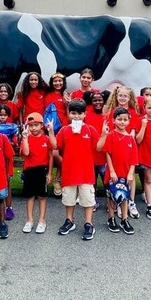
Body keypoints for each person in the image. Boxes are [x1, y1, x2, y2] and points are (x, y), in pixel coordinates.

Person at [55, 99, 99, 241]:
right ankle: (69, 221)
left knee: (87, 199)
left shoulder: (90, 130)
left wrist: (104, 134)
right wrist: (50, 132)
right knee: (69, 199)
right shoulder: (64, 130)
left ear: (85, 114)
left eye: (79, 113)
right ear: (69, 114)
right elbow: (56, 146)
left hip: (86, 173)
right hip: (69, 172)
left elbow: (98, 147)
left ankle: (88, 223)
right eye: (73, 113)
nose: (76, 116)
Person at [97, 107, 137, 235]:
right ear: (114, 120)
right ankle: (111, 218)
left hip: (125, 173)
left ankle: (124, 219)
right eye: (119, 119)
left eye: (125, 120)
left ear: (129, 121)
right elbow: (108, 154)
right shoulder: (111, 136)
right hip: (113, 172)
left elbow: (134, 158)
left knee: (124, 196)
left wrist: (131, 173)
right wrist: (112, 171)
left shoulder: (131, 138)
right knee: (111, 196)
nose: (122, 122)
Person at [103, 86, 142, 218]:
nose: (123, 98)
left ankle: (130, 201)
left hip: (128, 146)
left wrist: (130, 135)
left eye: (126, 96)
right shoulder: (112, 112)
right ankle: (118, 202)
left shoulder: (133, 112)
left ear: (129, 98)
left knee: (129, 179)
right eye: (120, 95)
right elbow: (109, 128)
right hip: (115, 145)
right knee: (115, 179)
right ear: (116, 96)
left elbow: (134, 129)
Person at [19, 112, 56, 234]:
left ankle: (41, 220)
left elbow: (51, 156)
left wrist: (50, 173)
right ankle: (29, 220)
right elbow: (26, 153)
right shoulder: (26, 138)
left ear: (41, 126)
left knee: (42, 196)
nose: (33, 128)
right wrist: (24, 138)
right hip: (29, 170)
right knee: (30, 196)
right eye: (31, 125)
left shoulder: (46, 139)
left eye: (36, 125)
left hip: (42, 170)